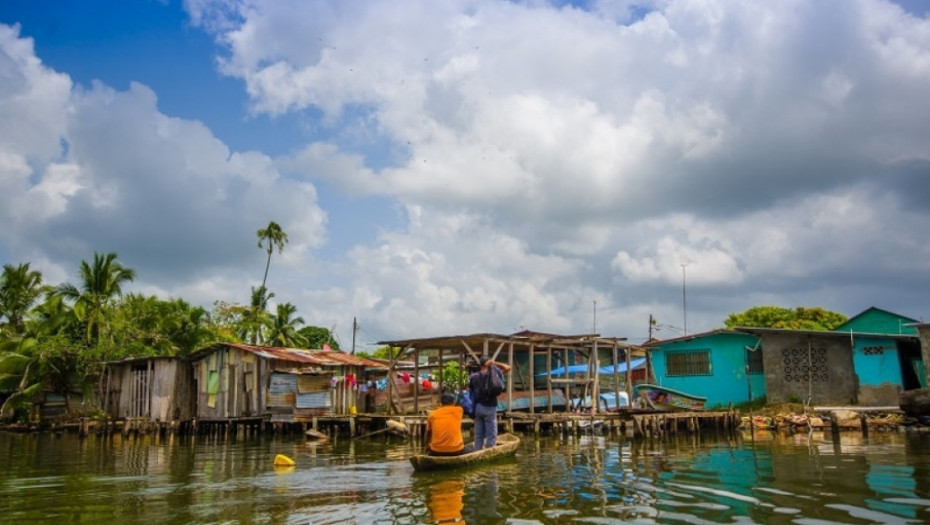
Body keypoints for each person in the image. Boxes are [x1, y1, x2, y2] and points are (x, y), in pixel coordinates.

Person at [468, 356, 511, 450]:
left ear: (480, 365)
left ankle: (477, 450)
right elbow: (508, 367)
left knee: (478, 433)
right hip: (490, 407)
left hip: (478, 407)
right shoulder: (494, 375)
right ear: (489, 364)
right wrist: (494, 362)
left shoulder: (474, 377)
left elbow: (469, 389)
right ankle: (490, 450)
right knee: (491, 433)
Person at [426, 391, 468, 456]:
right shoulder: (459, 410)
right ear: (453, 403)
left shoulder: (432, 414)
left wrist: (427, 446)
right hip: (456, 450)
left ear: (441, 403)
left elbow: (428, 433)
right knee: (469, 448)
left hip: (436, 451)